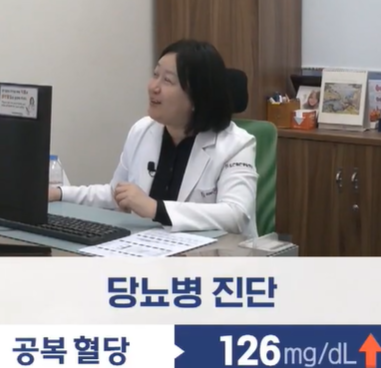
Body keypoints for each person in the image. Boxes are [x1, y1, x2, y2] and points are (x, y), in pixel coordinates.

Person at [50, 40, 258, 236]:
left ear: (197, 97)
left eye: (167, 80)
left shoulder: (236, 145)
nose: (153, 87)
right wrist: (59, 193)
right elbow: (117, 194)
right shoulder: (142, 130)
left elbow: (236, 215)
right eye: (155, 75)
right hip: (148, 248)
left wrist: (155, 209)